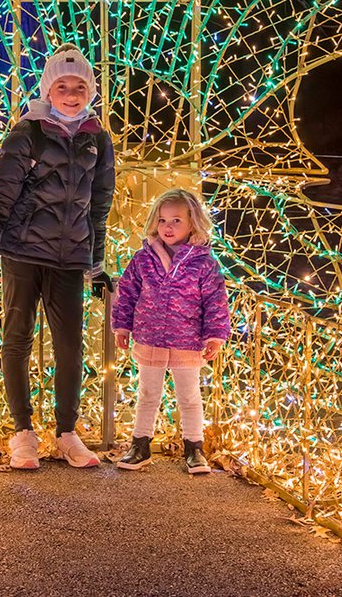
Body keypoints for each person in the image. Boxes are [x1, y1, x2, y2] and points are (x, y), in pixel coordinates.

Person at [0, 43, 115, 470]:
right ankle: (23, 432)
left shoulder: (97, 138)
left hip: (71, 257)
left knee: (70, 347)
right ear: (48, 90)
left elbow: (99, 205)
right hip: (23, 251)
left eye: (79, 86)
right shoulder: (27, 133)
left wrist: (97, 264)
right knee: (18, 339)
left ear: (90, 91)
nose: (70, 93)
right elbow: (0, 197)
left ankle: (66, 433)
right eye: (61, 86)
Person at [112, 188, 230, 473]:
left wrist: (214, 336)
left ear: (192, 224)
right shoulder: (143, 259)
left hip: (187, 341)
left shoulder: (204, 263)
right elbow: (127, 293)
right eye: (163, 220)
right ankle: (139, 446)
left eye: (176, 220)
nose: (168, 226)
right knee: (147, 394)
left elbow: (215, 302)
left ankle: (194, 448)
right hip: (150, 337)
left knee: (189, 397)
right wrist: (122, 326)